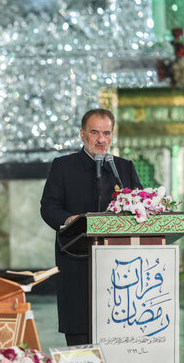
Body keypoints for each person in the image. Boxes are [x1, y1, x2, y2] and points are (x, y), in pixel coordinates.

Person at [40, 108, 143, 346]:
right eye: (94, 132)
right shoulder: (63, 166)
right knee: (80, 333)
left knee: (118, 334)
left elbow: (140, 206)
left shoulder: (124, 167)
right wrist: (70, 221)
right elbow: (49, 207)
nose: (101, 139)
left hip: (119, 266)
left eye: (106, 133)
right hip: (76, 259)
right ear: (82, 134)